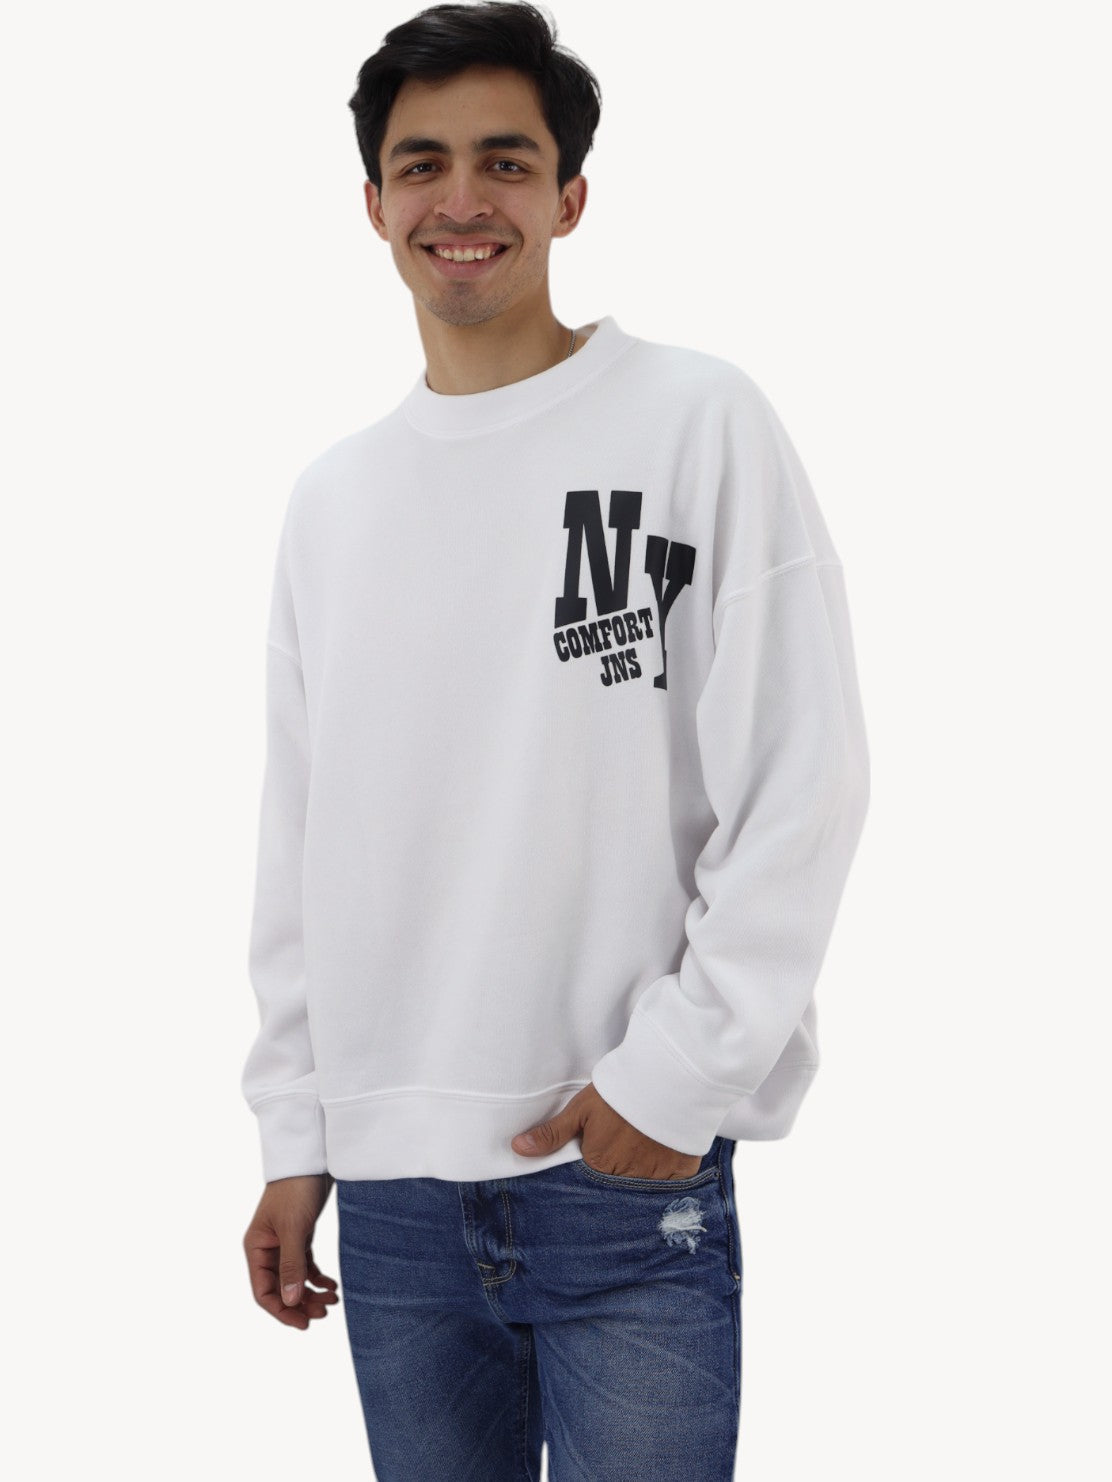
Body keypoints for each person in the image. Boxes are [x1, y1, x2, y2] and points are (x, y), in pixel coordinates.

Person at [240, 3, 870, 1478]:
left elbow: (806, 775)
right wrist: (296, 1130)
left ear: (569, 197)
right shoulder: (332, 504)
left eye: (506, 162)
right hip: (391, 1196)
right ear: (375, 204)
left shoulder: (696, 422)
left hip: (617, 1172)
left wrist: (678, 1080)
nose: (462, 200)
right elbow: (301, 844)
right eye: (423, 164)